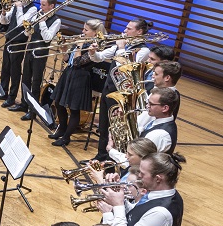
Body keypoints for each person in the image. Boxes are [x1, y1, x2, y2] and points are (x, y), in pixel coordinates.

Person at [94, 18, 151, 160]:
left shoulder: (144, 50)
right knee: (103, 126)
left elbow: (127, 68)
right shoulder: (124, 45)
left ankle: (112, 158)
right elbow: (100, 57)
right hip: (108, 90)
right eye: (126, 28)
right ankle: (100, 156)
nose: (125, 31)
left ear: (139, 32)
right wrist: (93, 52)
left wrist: (120, 48)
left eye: (129, 29)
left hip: (122, 94)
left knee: (114, 129)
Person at [50, 19, 107, 146]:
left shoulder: (96, 47)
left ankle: (66, 138)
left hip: (80, 78)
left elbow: (77, 62)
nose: (82, 31)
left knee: (74, 109)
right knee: (59, 103)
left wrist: (79, 46)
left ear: (95, 32)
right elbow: (67, 60)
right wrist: (63, 48)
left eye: (86, 30)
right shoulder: (84, 42)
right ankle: (62, 129)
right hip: (69, 73)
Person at [12, 0, 61, 117]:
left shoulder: (56, 21)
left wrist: (43, 22)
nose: (41, 7)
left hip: (41, 53)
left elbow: (47, 38)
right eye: (40, 4)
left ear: (52, 6)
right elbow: (30, 32)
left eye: (43, 5)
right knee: (26, 78)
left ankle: (33, 110)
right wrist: (28, 30)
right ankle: (24, 104)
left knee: (36, 82)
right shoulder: (38, 14)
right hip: (30, 49)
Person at [108, 86, 180, 165]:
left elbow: (137, 162)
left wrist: (111, 150)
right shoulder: (156, 120)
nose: (147, 106)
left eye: (151, 104)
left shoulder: (159, 135)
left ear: (165, 108)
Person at [0, 0, 37, 107]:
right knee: (5, 67)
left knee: (14, 69)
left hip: (19, 41)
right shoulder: (16, 6)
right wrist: (4, 12)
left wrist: (19, 7)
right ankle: (2, 91)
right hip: (9, 38)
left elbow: (21, 23)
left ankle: (12, 97)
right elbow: (5, 21)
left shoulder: (33, 9)